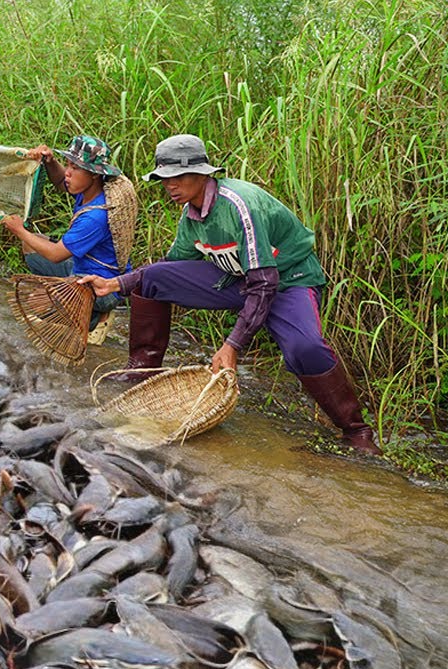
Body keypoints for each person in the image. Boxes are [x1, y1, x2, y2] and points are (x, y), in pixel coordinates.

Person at [80, 133, 381, 455]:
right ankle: (141, 372)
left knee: (304, 347)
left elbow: (265, 283)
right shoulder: (191, 215)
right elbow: (170, 266)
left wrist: (232, 346)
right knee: (151, 280)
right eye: (163, 179)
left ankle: (356, 431)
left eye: (177, 177)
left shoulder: (239, 205)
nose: (169, 186)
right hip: (238, 278)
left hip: (288, 281)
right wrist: (116, 284)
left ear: (203, 173)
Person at [0, 135, 130, 333]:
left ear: (94, 174)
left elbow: (56, 254)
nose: (68, 173)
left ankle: (93, 317)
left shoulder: (96, 217)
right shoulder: (91, 189)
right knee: (31, 246)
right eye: (68, 165)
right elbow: (62, 181)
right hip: (83, 266)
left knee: (36, 303)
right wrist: (51, 162)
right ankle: (67, 299)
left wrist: (19, 230)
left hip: (102, 286)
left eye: (75, 168)